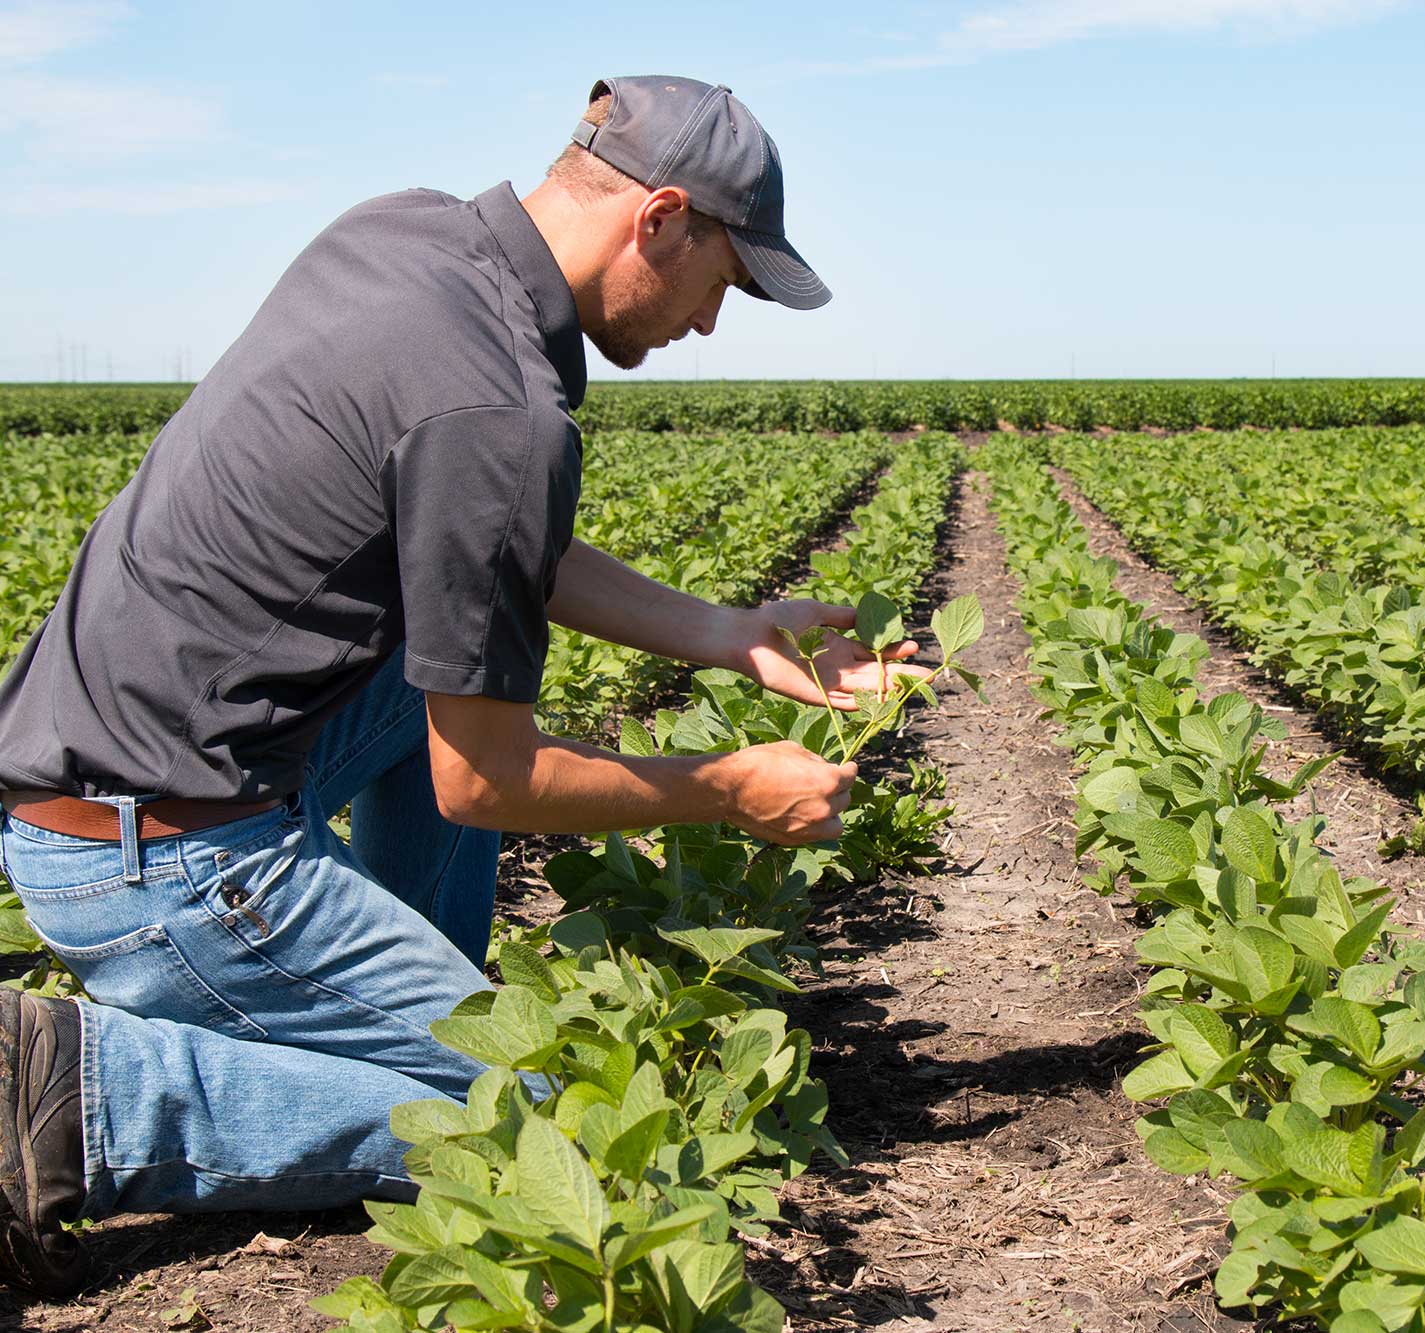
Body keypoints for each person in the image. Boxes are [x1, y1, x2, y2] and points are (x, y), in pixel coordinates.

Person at [0, 75, 917, 1298]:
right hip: (157, 854)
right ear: (660, 218)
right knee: (533, 1124)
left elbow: (486, 539)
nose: (711, 321)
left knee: (434, 666)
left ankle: (389, 993)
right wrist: (731, 790)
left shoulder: (413, 235)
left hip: (101, 766)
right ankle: (92, 1092)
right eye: (725, 279)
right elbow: (485, 780)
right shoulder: (497, 404)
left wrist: (730, 633)